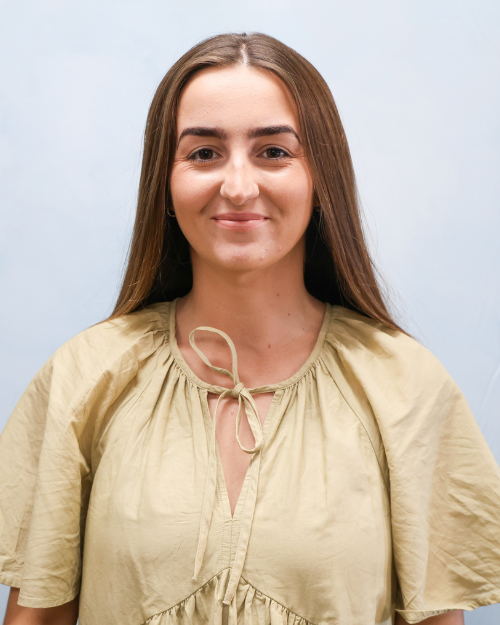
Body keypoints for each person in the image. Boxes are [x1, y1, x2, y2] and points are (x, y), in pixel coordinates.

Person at [1, 32, 500, 625]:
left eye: (274, 152)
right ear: (165, 182)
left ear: (322, 179)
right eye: (203, 153)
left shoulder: (406, 385)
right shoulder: (83, 378)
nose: (238, 186)